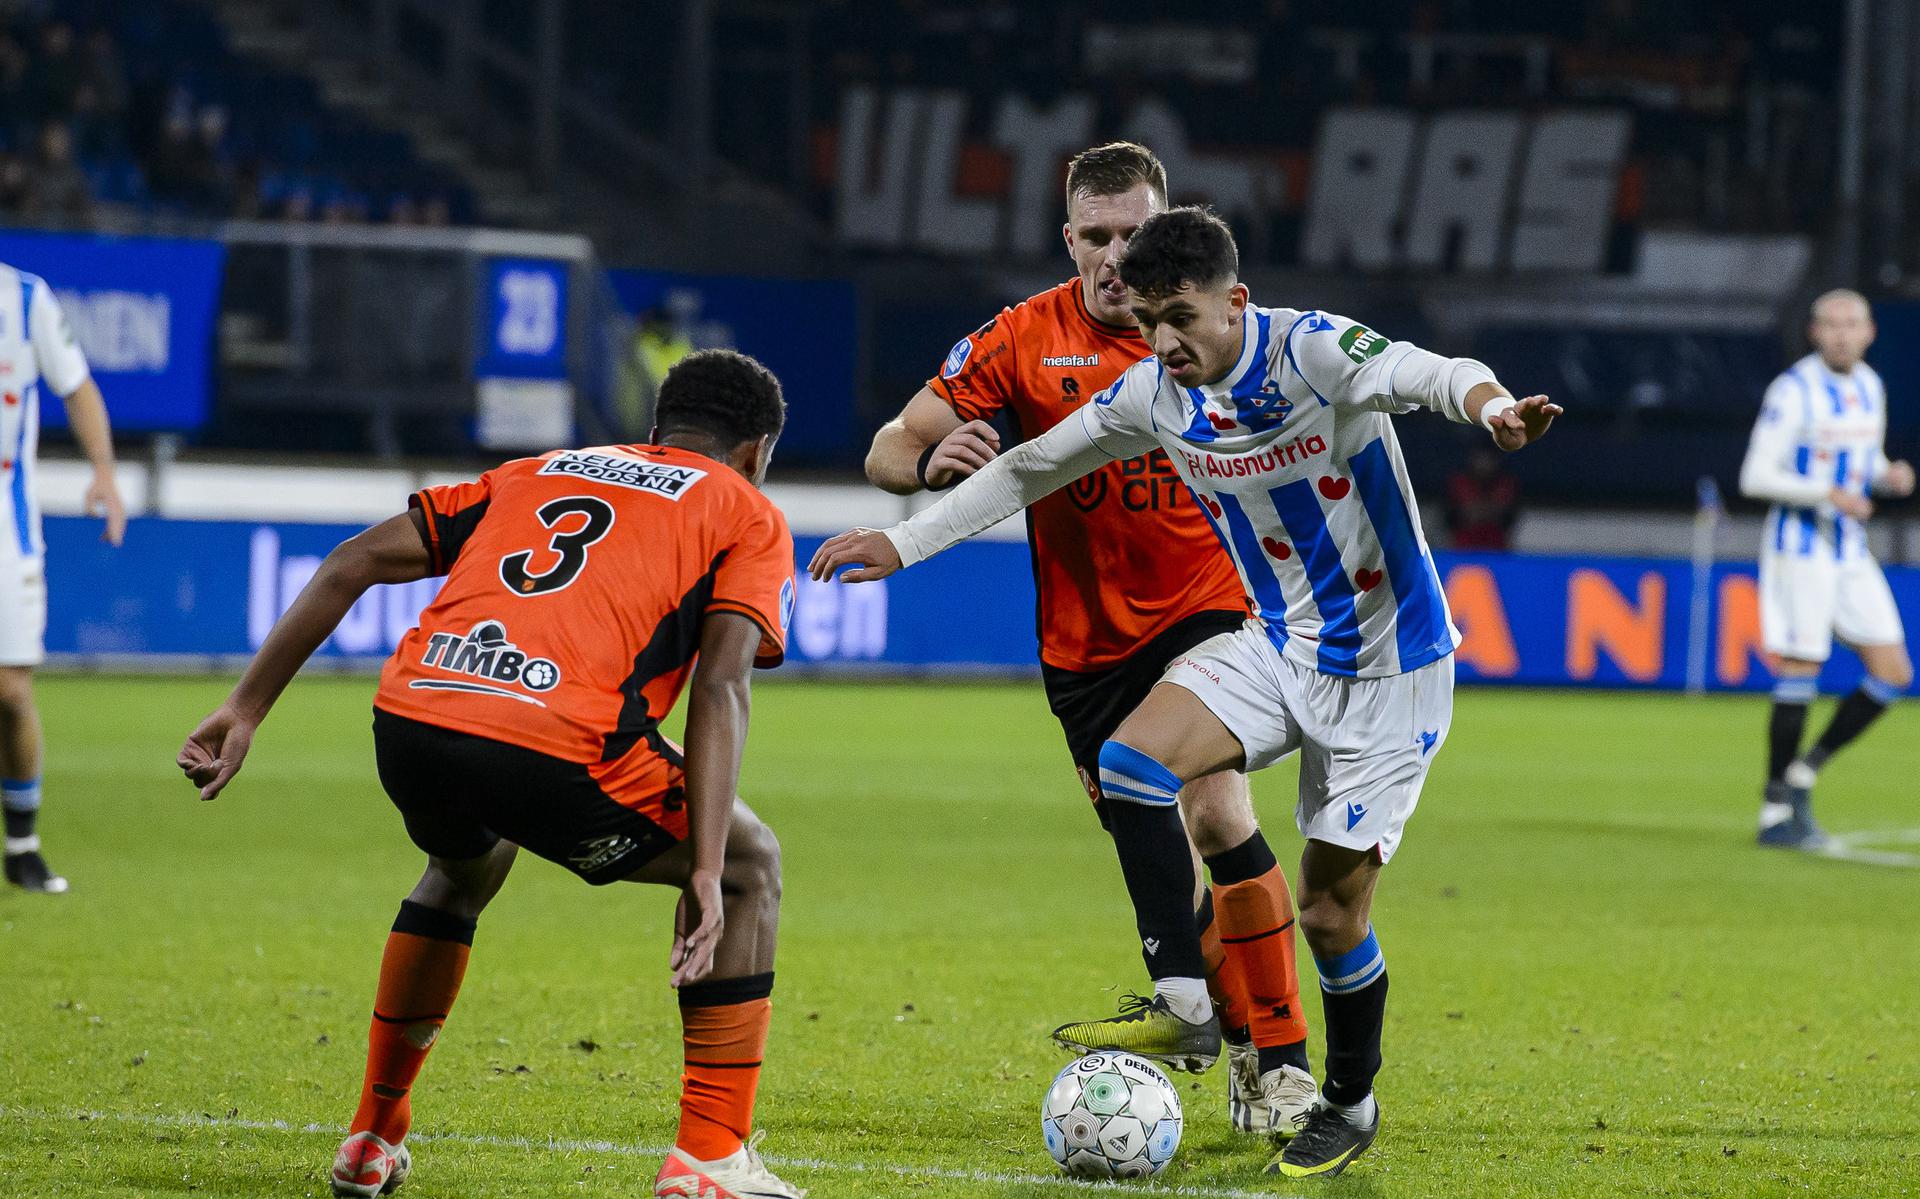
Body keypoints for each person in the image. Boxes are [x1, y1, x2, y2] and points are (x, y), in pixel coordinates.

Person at [810, 207, 1559, 1179]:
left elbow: (1430, 372)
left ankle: (1349, 1097)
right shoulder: (1155, 396)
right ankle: (1190, 997)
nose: (1164, 341)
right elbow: (1035, 464)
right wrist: (902, 542)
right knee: (1131, 762)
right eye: (1150, 323)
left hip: (1392, 670)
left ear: (1233, 302)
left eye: (1181, 318)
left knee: (1332, 917)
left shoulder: (1312, 351)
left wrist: (1494, 407)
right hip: (1278, 647)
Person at [176, 349, 806, 1199]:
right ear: (756, 452)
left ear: (655, 431)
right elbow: (723, 684)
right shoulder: (745, 509)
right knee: (749, 859)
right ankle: (710, 1156)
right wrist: (702, 865)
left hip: (415, 721)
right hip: (555, 742)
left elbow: (350, 561)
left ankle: (372, 1132)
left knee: (465, 864)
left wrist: (246, 709)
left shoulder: (537, 470)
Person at [863, 142, 1317, 1136]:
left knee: (1213, 806)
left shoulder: (1215, 327)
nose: (1116, 257)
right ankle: (1229, 1032)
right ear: (1068, 240)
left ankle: (1280, 1063)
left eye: (1135, 235)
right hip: (1084, 647)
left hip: (1212, 607)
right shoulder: (1020, 340)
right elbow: (889, 446)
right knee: (1155, 839)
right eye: (1097, 237)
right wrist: (935, 461)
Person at [1739, 288, 1913, 850]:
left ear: (1869, 331)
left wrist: (1887, 475)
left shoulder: (1868, 386)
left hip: (1849, 549)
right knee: (1800, 668)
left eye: (1852, 323)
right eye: (1831, 324)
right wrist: (1826, 495)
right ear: (1814, 332)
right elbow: (1755, 476)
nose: (1842, 333)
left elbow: (1865, 459)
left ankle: (1802, 774)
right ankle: (1773, 813)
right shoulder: (1794, 391)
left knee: (1893, 672)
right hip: (1800, 548)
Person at [0, 258, 128, 894]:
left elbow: (76, 386)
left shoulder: (25, 299)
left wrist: (103, 472)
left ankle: (21, 843)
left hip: (7, 526)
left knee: (11, 691)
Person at [1443, 442, 1520, 550]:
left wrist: (1482, 512)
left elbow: (1506, 516)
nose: (1484, 464)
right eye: (1480, 459)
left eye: (1488, 460)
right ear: (1472, 460)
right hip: (1463, 547)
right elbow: (1453, 516)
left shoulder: (1506, 484)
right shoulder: (1459, 482)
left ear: (1496, 461)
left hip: (1496, 547)